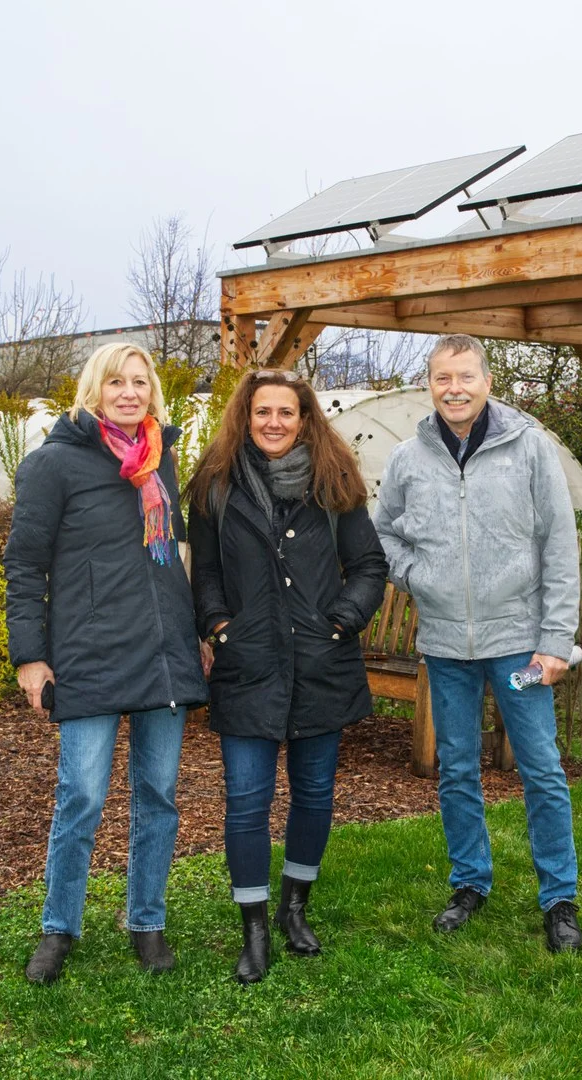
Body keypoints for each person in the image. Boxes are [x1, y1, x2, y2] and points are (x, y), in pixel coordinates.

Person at [3, 341, 209, 985]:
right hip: (88, 655)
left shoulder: (160, 458)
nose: (129, 393)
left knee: (158, 796)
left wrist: (196, 631)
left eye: (140, 383)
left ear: (152, 393)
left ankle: (147, 921)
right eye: (116, 382)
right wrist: (30, 656)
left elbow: (174, 554)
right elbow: (24, 565)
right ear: (93, 390)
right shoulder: (52, 465)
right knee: (83, 797)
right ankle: (58, 927)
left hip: (162, 653)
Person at [374, 334, 582, 953]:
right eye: (443, 378)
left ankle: (560, 898)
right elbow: (381, 534)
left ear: (488, 383)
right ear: (430, 385)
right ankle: (469, 882)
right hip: (445, 647)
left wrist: (556, 640)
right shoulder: (408, 458)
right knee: (457, 769)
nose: (454, 389)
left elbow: (560, 545)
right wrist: (417, 575)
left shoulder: (530, 449)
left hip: (520, 647)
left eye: (465, 376)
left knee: (541, 769)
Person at [188, 368, 387, 984]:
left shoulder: (333, 482)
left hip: (320, 664)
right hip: (248, 665)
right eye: (263, 412)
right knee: (246, 801)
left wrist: (342, 621)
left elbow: (369, 564)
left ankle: (294, 907)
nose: (274, 423)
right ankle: (253, 928)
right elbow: (206, 573)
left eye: (286, 412)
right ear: (245, 418)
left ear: (304, 420)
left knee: (315, 793)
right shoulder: (216, 485)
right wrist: (220, 626)